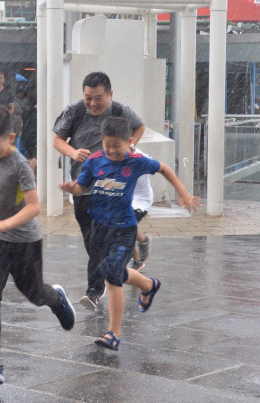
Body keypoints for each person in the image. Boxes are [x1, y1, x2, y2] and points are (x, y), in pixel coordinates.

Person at [60, 116, 200, 351]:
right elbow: (82, 187)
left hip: (124, 228)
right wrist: (71, 187)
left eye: (117, 146)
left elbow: (164, 168)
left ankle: (113, 333)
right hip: (99, 228)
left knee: (112, 276)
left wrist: (183, 193)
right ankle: (148, 285)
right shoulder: (95, 161)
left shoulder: (136, 161)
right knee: (111, 271)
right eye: (108, 145)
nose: (112, 151)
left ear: (129, 142)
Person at [0, 105, 75, 385]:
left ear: (10, 137)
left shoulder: (20, 164)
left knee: (34, 294)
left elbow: (34, 206)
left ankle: (57, 299)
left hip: (24, 241)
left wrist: (3, 223)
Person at [53, 71, 145, 310]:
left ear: (110, 95)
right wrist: (73, 152)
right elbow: (57, 140)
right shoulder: (74, 111)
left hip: (111, 189)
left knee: (97, 240)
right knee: (90, 240)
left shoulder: (121, 111)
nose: (93, 103)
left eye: (98, 98)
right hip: (81, 188)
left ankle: (95, 289)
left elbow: (139, 126)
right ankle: (119, 265)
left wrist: (131, 145)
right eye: (88, 98)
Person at [128, 145, 153, 271]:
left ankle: (137, 259)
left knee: (124, 228)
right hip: (125, 199)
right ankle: (143, 241)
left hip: (140, 201)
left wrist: (182, 193)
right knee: (124, 227)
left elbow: (164, 169)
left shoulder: (140, 158)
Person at [20, 84, 37, 173]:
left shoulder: (25, 108)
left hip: (27, 136)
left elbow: (22, 123)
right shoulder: (37, 112)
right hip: (33, 136)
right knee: (34, 158)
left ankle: (32, 175)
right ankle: (32, 175)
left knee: (31, 157)